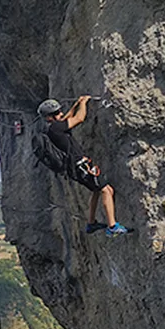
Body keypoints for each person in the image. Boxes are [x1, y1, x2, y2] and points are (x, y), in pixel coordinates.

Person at [37, 96, 129, 237]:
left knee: (98, 190)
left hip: (75, 168)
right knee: (105, 190)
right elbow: (79, 118)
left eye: (60, 111)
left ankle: (91, 223)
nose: (60, 114)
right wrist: (84, 103)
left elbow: (64, 119)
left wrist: (76, 104)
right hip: (80, 166)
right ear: (49, 118)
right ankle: (112, 226)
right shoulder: (56, 128)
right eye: (56, 113)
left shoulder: (53, 128)